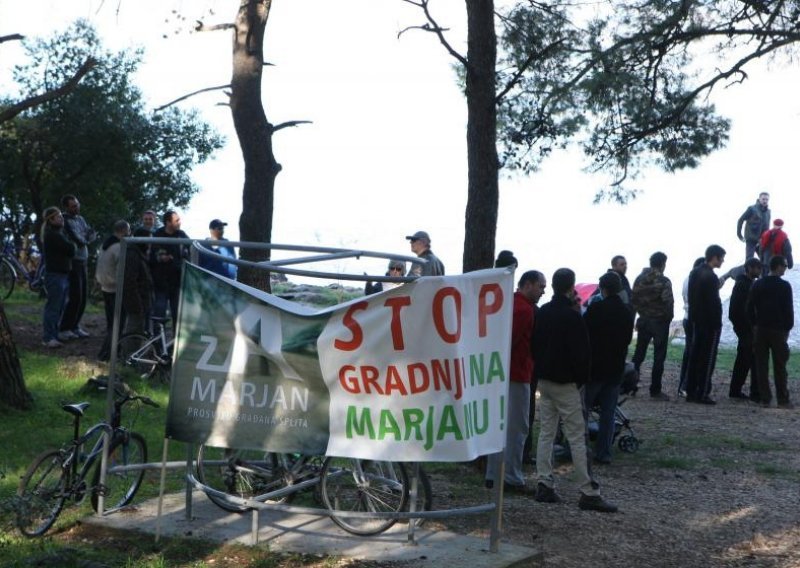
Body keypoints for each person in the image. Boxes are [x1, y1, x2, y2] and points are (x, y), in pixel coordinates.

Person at [532, 267, 617, 513]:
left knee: (547, 432)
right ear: (572, 287)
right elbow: (582, 353)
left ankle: (544, 482)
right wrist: (581, 380)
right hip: (566, 383)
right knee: (577, 436)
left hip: (545, 379)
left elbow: (535, 344)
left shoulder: (544, 312)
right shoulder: (572, 316)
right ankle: (588, 490)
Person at [485, 270, 546, 494]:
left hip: (505, 374)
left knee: (499, 425)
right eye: (540, 286)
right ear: (528, 284)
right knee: (517, 427)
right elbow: (508, 342)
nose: (543, 291)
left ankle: (494, 474)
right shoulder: (523, 310)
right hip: (516, 373)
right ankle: (511, 476)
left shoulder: (510, 303)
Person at [583, 271, 634, 465]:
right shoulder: (626, 312)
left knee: (584, 409)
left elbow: (585, 335)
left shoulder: (596, 310)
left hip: (595, 368)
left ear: (602, 289)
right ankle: (603, 452)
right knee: (608, 412)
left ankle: (580, 448)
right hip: (615, 368)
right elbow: (628, 339)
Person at [747, 255, 794, 409]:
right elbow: (788, 310)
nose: (785, 269)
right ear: (778, 266)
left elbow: (749, 307)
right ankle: (782, 398)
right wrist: (788, 328)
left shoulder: (758, 284)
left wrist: (754, 324)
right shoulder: (785, 286)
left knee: (761, 365)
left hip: (761, 329)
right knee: (780, 365)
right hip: (778, 330)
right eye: (785, 266)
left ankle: (765, 398)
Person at [630, 252, 674, 400]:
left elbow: (633, 299)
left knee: (638, 355)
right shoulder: (664, 281)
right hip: (659, 322)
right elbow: (668, 302)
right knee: (659, 357)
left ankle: (631, 386)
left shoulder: (639, 279)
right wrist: (668, 318)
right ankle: (655, 390)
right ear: (663, 264)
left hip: (643, 320)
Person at [685, 244, 726, 405]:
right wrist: (717, 323)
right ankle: (702, 392)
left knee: (695, 356)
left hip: (696, 320)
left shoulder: (695, 273)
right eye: (721, 258)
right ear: (714, 257)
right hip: (709, 323)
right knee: (707, 358)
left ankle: (691, 390)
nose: (722, 261)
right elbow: (713, 303)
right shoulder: (710, 276)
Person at [59, 194, 97, 340]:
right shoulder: (65, 221)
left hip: (83, 260)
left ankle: (75, 326)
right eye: (73, 206)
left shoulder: (80, 219)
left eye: (77, 204)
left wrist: (86, 237)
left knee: (83, 297)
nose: (77, 207)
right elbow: (79, 240)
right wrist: (86, 237)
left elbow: (91, 233)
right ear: (67, 207)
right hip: (73, 262)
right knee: (75, 296)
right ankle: (64, 328)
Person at [40, 207, 76, 348]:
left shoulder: (58, 234)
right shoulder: (53, 235)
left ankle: (53, 335)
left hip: (61, 275)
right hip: (55, 275)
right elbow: (71, 249)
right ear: (51, 220)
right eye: (59, 216)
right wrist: (72, 244)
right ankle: (48, 337)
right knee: (53, 307)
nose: (62, 218)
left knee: (59, 306)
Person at [95, 220, 130, 361]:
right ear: (124, 231)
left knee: (112, 323)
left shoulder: (105, 245)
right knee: (118, 324)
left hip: (105, 287)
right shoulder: (119, 247)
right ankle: (105, 354)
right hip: (116, 289)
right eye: (129, 231)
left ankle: (115, 350)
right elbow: (122, 270)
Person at [727, 257, 762, 401]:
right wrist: (746, 328)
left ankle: (753, 391)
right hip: (746, 329)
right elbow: (736, 310)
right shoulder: (742, 285)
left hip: (749, 328)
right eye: (757, 268)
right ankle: (736, 389)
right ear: (750, 268)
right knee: (744, 359)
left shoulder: (749, 284)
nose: (759, 271)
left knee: (751, 359)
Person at [150, 210, 189, 332]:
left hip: (177, 283)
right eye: (177, 220)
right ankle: (157, 345)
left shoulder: (182, 235)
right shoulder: (157, 235)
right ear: (168, 222)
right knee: (159, 315)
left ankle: (175, 347)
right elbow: (151, 256)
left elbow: (190, 251)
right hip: (160, 283)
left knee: (178, 316)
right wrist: (161, 258)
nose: (179, 222)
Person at [678, 257, 706, 397]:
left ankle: (683, 384)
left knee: (689, 353)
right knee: (694, 354)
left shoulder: (687, 279)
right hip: (695, 319)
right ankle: (688, 386)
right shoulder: (697, 280)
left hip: (687, 317)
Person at [123, 227, 155, 338]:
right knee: (134, 331)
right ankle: (129, 354)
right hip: (137, 303)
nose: (151, 244)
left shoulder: (139, 254)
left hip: (142, 300)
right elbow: (130, 281)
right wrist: (136, 304)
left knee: (139, 330)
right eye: (149, 241)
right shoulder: (133, 255)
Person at [736, 192, 770, 260]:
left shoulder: (768, 212)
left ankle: (763, 270)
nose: (765, 201)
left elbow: (767, 227)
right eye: (763, 199)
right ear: (759, 199)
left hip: (762, 240)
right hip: (751, 239)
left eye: (766, 199)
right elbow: (740, 220)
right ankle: (747, 270)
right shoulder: (751, 209)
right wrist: (739, 235)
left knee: (765, 260)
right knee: (749, 259)